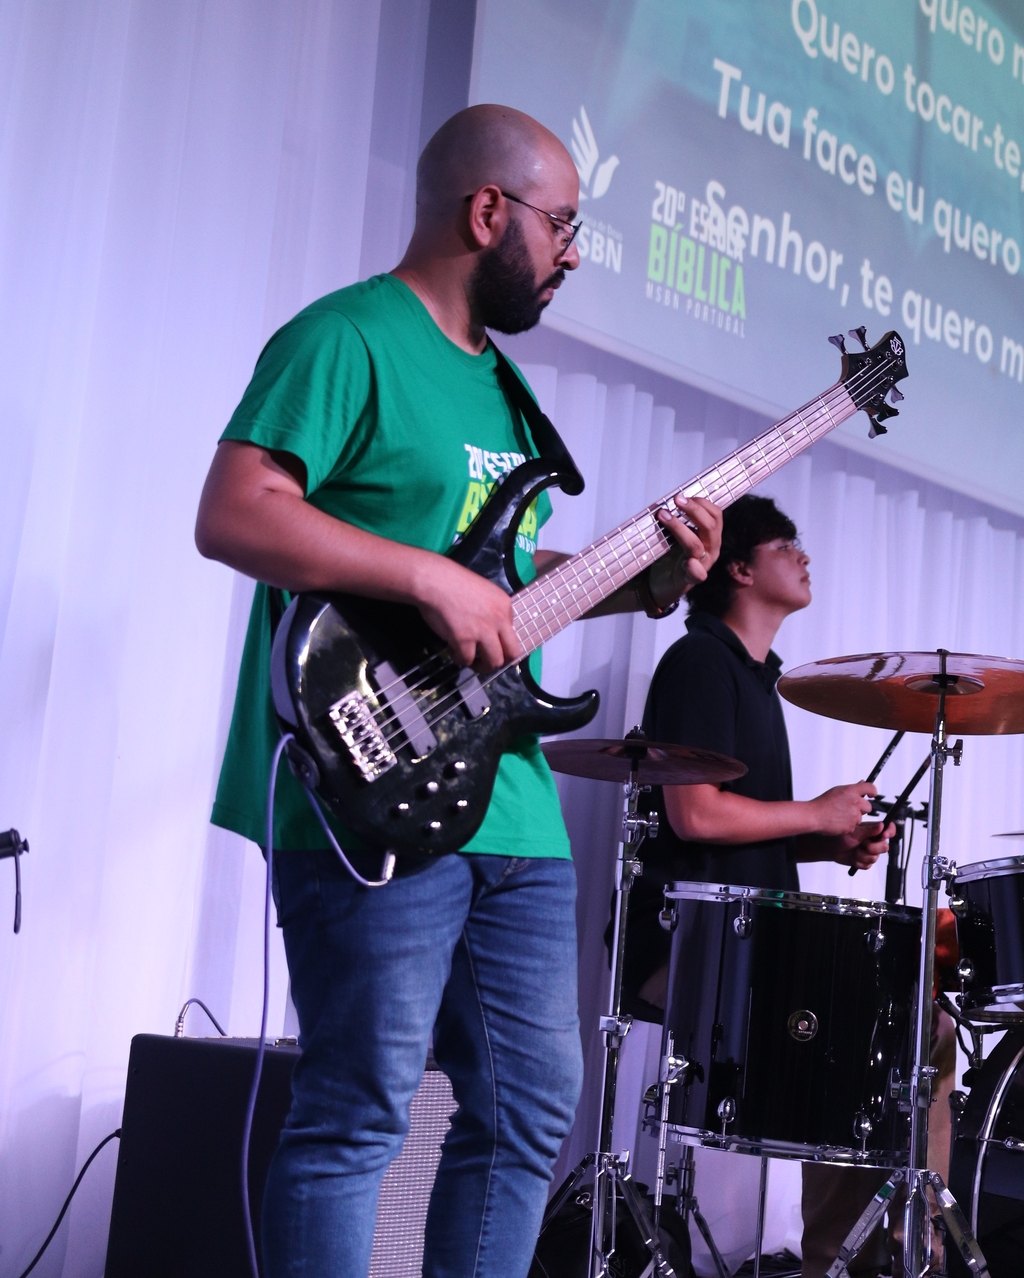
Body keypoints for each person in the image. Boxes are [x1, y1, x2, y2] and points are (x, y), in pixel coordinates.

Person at [194, 103, 723, 1278]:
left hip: (510, 799)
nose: (573, 252)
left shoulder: (506, 393)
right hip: (368, 776)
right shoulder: (348, 336)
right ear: (487, 212)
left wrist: (637, 585)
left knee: (529, 1109)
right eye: (563, 224)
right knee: (359, 1111)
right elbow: (233, 513)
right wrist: (425, 576)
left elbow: (503, 588)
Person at [625, 493, 954, 1278]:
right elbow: (695, 816)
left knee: (920, 1024)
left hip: (745, 944)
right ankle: (851, 1258)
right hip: (689, 951)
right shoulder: (701, 663)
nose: (804, 557)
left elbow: (737, 832)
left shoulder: (752, 678)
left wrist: (823, 840)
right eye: (786, 545)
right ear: (739, 567)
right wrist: (813, 811)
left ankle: (901, 1244)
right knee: (890, 1030)